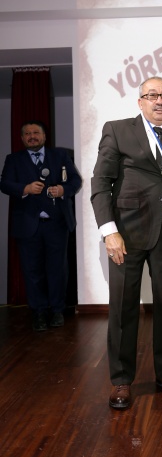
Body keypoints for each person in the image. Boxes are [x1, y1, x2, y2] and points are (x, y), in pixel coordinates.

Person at [90, 76, 162, 409]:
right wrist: (109, 231)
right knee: (123, 307)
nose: (159, 100)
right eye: (152, 95)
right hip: (126, 235)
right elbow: (100, 182)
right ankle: (121, 380)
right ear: (140, 102)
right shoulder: (118, 130)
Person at [0, 120, 82, 331]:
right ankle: (38, 312)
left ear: (44, 136)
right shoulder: (13, 159)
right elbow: (4, 184)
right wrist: (25, 188)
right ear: (22, 138)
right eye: (27, 134)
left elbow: (75, 180)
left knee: (58, 270)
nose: (32, 136)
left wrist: (63, 190)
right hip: (27, 225)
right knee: (32, 271)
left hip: (57, 224)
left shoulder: (60, 155)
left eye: (36, 133)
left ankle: (57, 310)